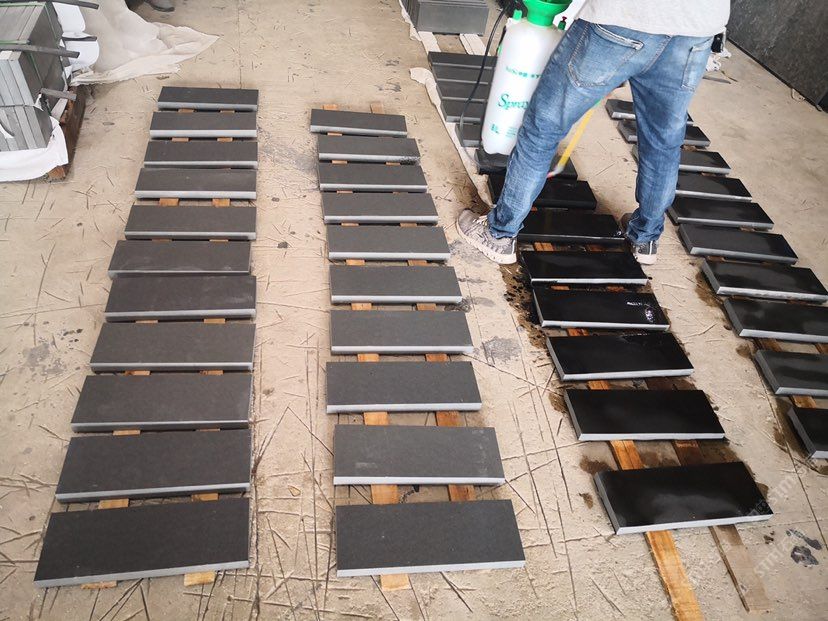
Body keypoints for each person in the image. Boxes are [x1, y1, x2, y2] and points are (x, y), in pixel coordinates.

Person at [457, 0, 730, 265]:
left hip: (624, 19)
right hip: (696, 29)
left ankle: (499, 233)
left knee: (543, 127)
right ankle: (645, 237)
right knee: (662, 141)